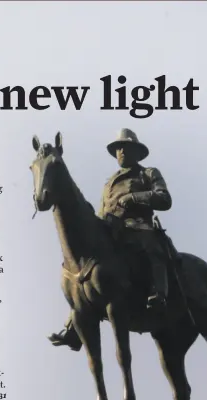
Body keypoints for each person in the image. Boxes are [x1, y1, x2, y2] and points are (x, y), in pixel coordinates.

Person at [49, 128, 172, 350]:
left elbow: (164, 199)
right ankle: (74, 324)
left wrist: (134, 197)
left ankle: (158, 293)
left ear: (136, 151)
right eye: (118, 148)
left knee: (150, 248)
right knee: (86, 269)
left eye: (126, 147)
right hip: (112, 231)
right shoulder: (109, 183)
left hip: (139, 229)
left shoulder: (147, 173)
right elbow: (102, 211)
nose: (121, 151)